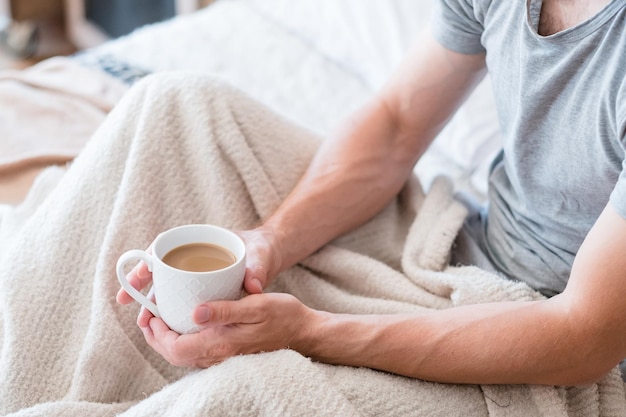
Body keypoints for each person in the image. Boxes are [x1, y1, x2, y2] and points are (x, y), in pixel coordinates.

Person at [117, 0, 626, 386]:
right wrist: (269, 241)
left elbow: (584, 335)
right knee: (174, 107)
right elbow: (396, 124)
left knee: (247, 395)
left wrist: (308, 334)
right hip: (459, 244)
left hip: (541, 321)